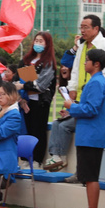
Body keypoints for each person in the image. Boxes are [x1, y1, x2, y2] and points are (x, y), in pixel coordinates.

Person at [44, 15, 105, 174]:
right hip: (79, 97)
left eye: (86, 27)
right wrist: (71, 88)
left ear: (96, 29)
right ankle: (71, 167)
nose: (82, 30)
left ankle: (80, 173)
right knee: (61, 122)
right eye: (81, 27)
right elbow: (76, 69)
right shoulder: (82, 45)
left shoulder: (102, 45)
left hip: (94, 98)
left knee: (70, 127)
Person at [63, 49, 105, 208]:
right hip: (89, 134)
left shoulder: (96, 82)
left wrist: (72, 106)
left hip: (91, 135)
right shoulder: (96, 81)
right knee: (89, 175)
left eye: (87, 60)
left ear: (96, 64)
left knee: (90, 176)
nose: (84, 63)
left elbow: (91, 109)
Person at [13, 32, 57, 169]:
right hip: (24, 102)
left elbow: (42, 86)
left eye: (41, 41)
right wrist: (21, 97)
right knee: (25, 130)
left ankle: (37, 160)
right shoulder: (26, 60)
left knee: (38, 131)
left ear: (47, 44)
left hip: (40, 103)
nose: (37, 43)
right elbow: (16, 80)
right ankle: (25, 159)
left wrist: (24, 85)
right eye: (36, 40)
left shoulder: (48, 63)